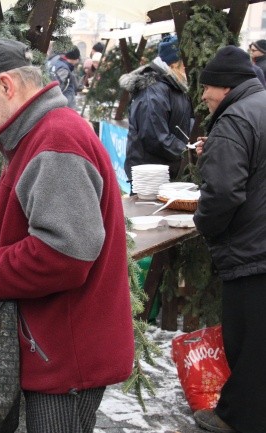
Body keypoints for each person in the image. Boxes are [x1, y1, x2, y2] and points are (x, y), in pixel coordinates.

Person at [0, 38, 135, 433]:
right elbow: (50, 235)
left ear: (6, 85)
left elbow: (63, 256)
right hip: (59, 346)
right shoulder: (42, 135)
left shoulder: (55, 140)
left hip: (65, 355)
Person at [192, 45, 266, 433]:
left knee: (249, 344)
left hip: (252, 251)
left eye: (207, 89)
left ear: (225, 86)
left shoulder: (235, 118)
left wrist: (203, 224)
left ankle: (240, 420)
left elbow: (222, 194)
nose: (203, 97)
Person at [119, 35, 193, 185]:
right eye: (186, 65)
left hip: (167, 172)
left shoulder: (174, 85)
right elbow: (155, 136)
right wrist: (188, 152)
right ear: (174, 64)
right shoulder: (152, 90)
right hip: (151, 178)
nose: (189, 70)